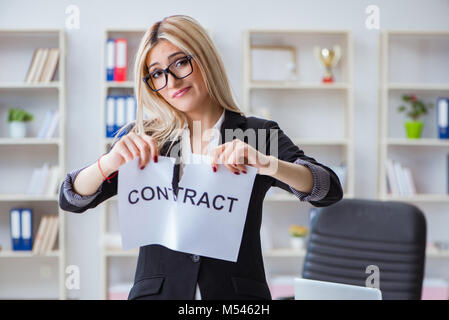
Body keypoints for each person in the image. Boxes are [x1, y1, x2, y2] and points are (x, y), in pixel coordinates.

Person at [59, 14, 343, 300]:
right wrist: (107, 163)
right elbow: (72, 198)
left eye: (180, 62)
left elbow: (328, 189)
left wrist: (266, 163)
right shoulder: (147, 138)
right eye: (157, 73)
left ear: (205, 58)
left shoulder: (254, 133)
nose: (170, 81)